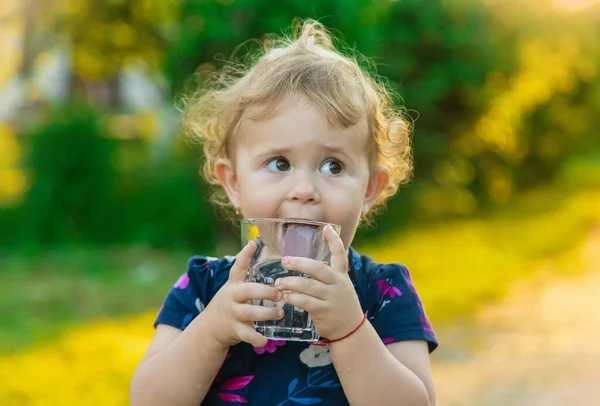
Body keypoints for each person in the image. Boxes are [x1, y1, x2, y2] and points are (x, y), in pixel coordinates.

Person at [130, 19, 438, 406]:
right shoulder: (204, 288)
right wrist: (211, 330)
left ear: (370, 189)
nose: (305, 191)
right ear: (235, 183)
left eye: (333, 166)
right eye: (279, 163)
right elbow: (148, 400)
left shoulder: (383, 293)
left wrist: (349, 331)